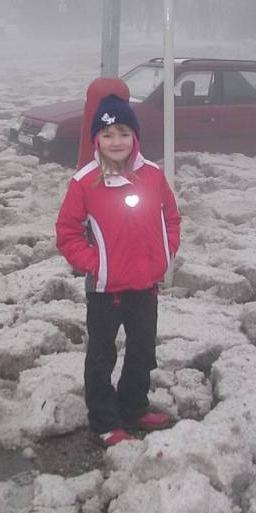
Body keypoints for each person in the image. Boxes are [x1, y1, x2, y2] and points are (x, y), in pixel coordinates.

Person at [55, 94, 181, 447]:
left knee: (142, 349)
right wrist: (97, 264)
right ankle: (104, 421)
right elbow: (66, 233)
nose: (116, 142)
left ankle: (133, 408)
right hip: (105, 289)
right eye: (108, 134)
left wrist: (164, 255)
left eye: (123, 133)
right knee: (101, 355)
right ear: (97, 139)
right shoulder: (84, 182)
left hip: (144, 284)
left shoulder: (153, 175)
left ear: (135, 136)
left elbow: (170, 218)